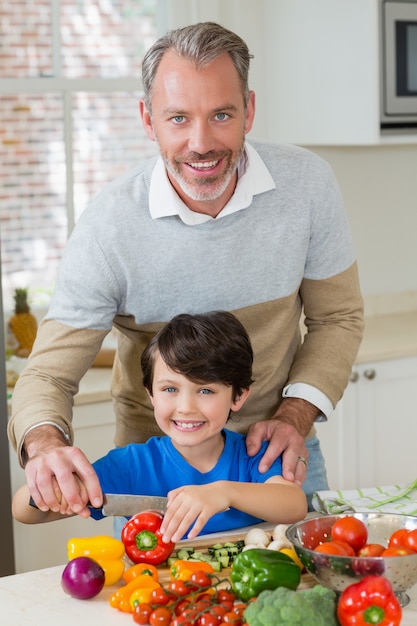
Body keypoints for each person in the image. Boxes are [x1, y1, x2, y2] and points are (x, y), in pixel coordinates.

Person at [8, 21, 364, 518]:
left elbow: (338, 318)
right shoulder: (110, 225)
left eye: (221, 114)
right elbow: (48, 371)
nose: (201, 143)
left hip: (275, 456)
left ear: (250, 111)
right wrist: (45, 444)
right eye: (178, 118)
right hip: (157, 478)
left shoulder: (307, 187)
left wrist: (294, 416)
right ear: (148, 120)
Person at [12, 311, 307, 542]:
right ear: (150, 393)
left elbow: (294, 505)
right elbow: (24, 512)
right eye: (169, 389)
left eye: (205, 391)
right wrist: (49, 482)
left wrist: (223, 493)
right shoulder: (132, 465)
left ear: (238, 396)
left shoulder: (253, 455)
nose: (186, 407)